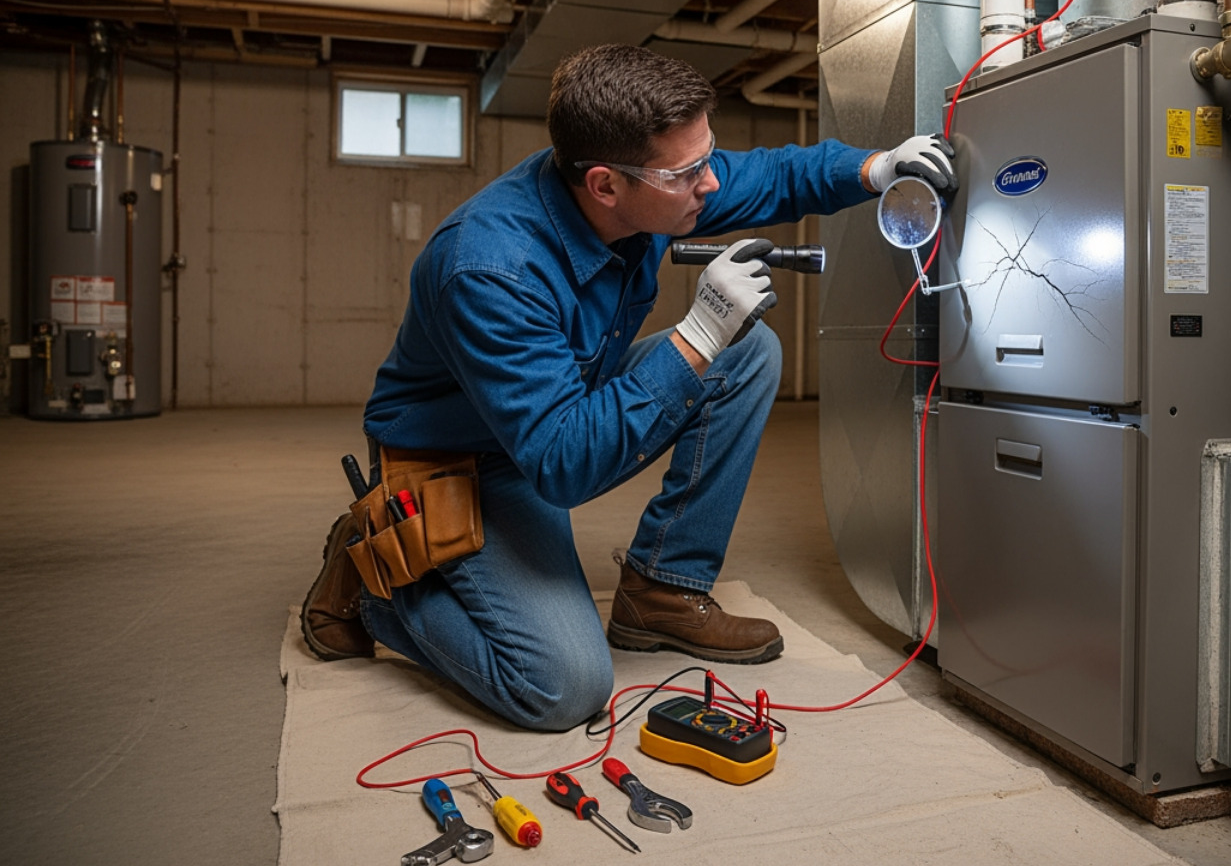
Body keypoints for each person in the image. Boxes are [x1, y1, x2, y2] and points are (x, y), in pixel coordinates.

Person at [301, 43, 956, 731]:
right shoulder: (489, 269)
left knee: (747, 350)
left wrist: (876, 167)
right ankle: (378, 578)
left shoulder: (654, 181)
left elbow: (770, 175)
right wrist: (698, 333)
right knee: (562, 688)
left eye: (708, 158)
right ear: (607, 185)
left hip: (559, 404)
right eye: (688, 172)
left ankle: (663, 590)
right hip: (461, 458)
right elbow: (563, 465)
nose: (710, 183)